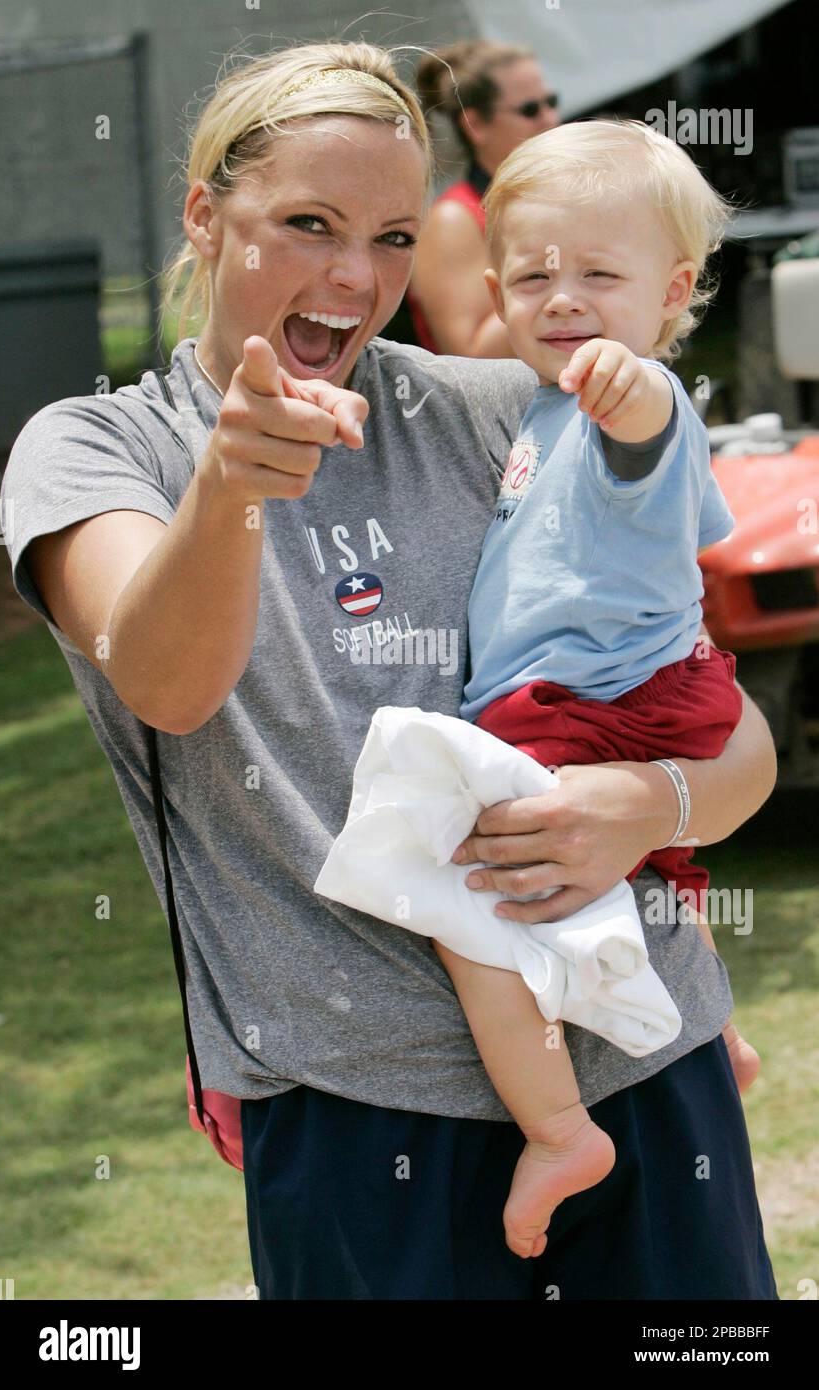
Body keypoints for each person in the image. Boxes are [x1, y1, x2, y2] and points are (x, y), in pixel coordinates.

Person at [0, 41, 778, 1300]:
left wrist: (649, 807)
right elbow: (165, 681)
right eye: (307, 223)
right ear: (205, 216)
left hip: (644, 1057)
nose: (354, 277)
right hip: (356, 1108)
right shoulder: (98, 446)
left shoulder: (495, 414)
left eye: (395, 236)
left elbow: (731, 735)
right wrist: (232, 483)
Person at [405, 118, 761, 1261]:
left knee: (464, 882)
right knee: (647, 866)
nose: (560, 299)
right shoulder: (541, 410)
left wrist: (631, 385)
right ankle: (715, 1030)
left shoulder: (633, 402)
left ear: (671, 291)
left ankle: (559, 1126)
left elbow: (650, 436)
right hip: (620, 690)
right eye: (530, 275)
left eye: (597, 276)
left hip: (589, 701)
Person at [407, 40, 559, 356]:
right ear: (475, 124)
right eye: (530, 110)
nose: (551, 120)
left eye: (551, 103)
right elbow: (470, 354)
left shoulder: (548, 203)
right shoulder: (453, 218)